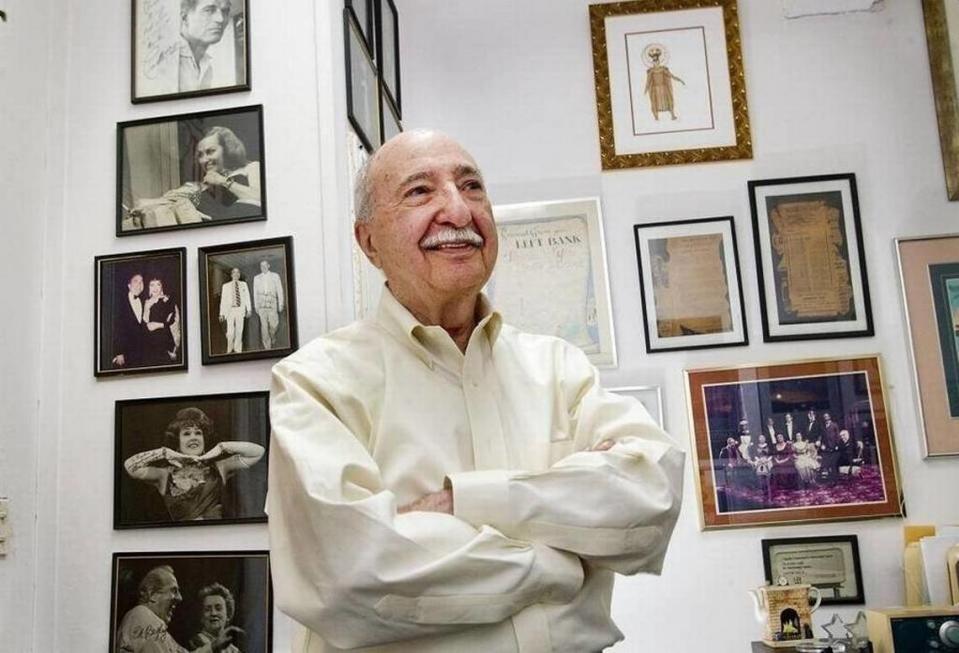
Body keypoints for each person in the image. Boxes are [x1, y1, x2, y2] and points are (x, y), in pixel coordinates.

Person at [266, 130, 684, 652]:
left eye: (472, 187)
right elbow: (350, 575)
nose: (458, 211)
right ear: (369, 241)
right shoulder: (315, 382)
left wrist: (459, 503)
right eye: (420, 192)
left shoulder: (558, 366)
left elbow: (651, 499)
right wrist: (560, 559)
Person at [123, 407, 265, 521]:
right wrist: (165, 453)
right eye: (186, 434)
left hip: (218, 538)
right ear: (177, 440)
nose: (193, 438)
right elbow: (130, 466)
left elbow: (258, 452)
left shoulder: (220, 467)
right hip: (182, 540)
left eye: (198, 433)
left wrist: (221, 447)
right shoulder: (164, 475)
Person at [125, 126, 261, 230]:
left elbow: (260, 198)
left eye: (210, 152)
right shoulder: (197, 186)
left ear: (227, 149)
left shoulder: (251, 168)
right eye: (200, 155)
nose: (204, 160)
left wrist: (223, 181)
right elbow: (168, 201)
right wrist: (144, 204)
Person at [115, 565, 237, 652]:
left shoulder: (158, 629)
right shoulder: (141, 615)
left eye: (218, 608)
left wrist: (214, 646)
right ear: (152, 594)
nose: (180, 598)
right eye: (174, 591)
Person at [179, 0, 232, 92]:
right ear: (184, 17)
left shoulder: (206, 64)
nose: (221, 19)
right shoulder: (168, 60)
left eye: (225, 11)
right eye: (209, 10)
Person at [188, 583, 244, 653]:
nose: (213, 613)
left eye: (218, 608)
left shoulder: (234, 651)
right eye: (207, 609)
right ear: (202, 617)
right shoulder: (193, 644)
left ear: (228, 615)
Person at [142, 278, 182, 365]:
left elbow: (175, 325)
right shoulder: (145, 302)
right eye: (152, 285)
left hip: (166, 346)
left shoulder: (169, 301)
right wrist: (147, 307)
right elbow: (144, 325)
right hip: (147, 347)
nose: (155, 288)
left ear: (162, 287)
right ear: (148, 288)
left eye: (158, 284)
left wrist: (174, 349)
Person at [113, 273, 146, 369]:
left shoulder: (145, 301)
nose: (139, 284)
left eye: (141, 282)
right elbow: (116, 327)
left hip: (141, 353)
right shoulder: (119, 301)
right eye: (136, 281)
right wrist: (118, 352)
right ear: (129, 285)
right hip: (125, 353)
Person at [643, 45, 685, 121]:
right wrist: (645, 90)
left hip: (664, 88)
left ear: (659, 61)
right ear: (652, 61)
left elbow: (671, 76)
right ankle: (656, 118)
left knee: (669, 100)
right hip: (655, 90)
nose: (656, 62)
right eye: (654, 61)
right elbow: (648, 81)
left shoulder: (663, 69)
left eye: (657, 60)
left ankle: (672, 115)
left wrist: (680, 80)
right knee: (654, 102)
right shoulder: (651, 71)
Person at [252, 260, 284, 350]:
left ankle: (272, 335)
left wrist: (281, 303)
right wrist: (256, 306)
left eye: (265, 265)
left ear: (269, 266)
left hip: (272, 302)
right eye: (261, 266)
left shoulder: (275, 276)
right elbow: (255, 293)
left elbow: (279, 290)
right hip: (261, 304)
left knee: (274, 324)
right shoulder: (256, 278)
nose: (263, 267)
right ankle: (267, 347)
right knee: (264, 327)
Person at [219, 268, 251, 354]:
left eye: (238, 273)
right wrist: (221, 313)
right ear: (231, 274)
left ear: (239, 275)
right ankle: (229, 349)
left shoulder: (244, 284)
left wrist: (249, 309)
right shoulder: (225, 286)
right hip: (230, 311)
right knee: (230, 333)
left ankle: (238, 350)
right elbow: (223, 301)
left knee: (239, 331)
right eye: (234, 273)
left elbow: (247, 297)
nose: (236, 274)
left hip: (240, 310)